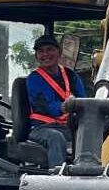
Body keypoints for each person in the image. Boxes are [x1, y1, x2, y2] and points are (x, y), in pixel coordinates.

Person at [25, 34, 86, 167]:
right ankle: (57, 178)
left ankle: (88, 172)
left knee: (89, 131)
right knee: (55, 137)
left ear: (59, 52)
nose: (45, 54)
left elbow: (83, 99)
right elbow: (45, 105)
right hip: (42, 128)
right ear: (36, 56)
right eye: (41, 51)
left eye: (49, 49)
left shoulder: (71, 75)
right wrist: (63, 107)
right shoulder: (34, 79)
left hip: (67, 126)